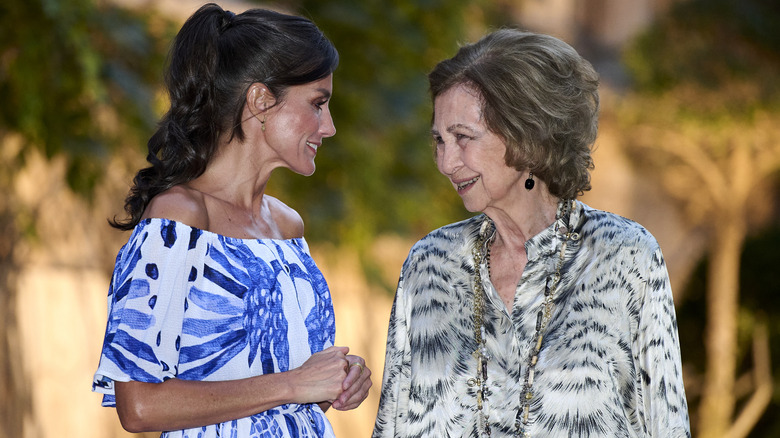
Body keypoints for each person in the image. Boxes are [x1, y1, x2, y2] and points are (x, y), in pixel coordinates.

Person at [373, 28, 690, 437]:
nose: (447, 162)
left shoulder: (626, 256)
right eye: (439, 140)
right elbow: (394, 422)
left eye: (463, 138)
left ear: (528, 137)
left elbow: (665, 424)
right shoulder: (429, 262)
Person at [92, 3, 372, 437]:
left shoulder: (288, 226)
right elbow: (140, 406)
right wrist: (293, 384)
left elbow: (281, 388)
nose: (329, 126)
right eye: (318, 103)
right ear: (261, 100)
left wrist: (334, 380)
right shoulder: (180, 218)